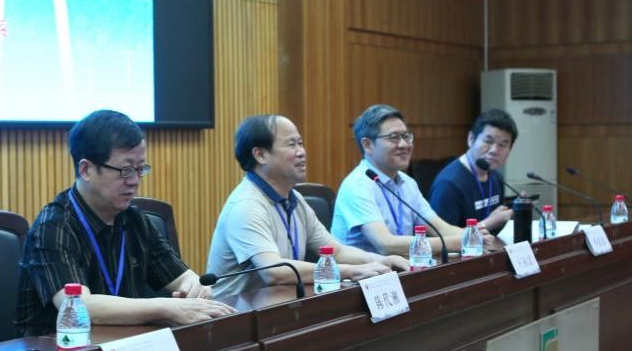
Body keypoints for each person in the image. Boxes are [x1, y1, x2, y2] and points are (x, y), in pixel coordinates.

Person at [16, 109, 235, 336]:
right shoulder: (53, 227)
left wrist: (195, 288)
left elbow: (183, 278)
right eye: (126, 170)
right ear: (86, 169)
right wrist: (165, 307)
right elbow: (79, 306)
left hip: (125, 348)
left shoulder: (136, 221)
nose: (134, 181)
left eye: (140, 169)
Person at [207, 114, 409, 300]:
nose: (301, 152)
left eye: (301, 143)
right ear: (261, 155)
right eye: (291, 144)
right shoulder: (246, 206)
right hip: (237, 315)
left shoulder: (294, 199)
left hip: (282, 304)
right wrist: (350, 271)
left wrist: (380, 260)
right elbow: (273, 271)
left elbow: (337, 252)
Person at [331, 104, 474, 257]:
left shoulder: (408, 183)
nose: (404, 145)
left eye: (406, 136)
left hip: (402, 267)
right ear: (368, 145)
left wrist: (473, 235)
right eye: (394, 137)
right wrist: (454, 242)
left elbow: (442, 229)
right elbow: (385, 245)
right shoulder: (357, 185)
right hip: (362, 271)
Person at [429, 109, 518, 235]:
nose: (494, 150)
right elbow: (440, 239)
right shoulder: (448, 184)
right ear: (471, 139)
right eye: (488, 141)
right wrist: (489, 223)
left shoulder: (496, 177)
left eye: (502, 145)